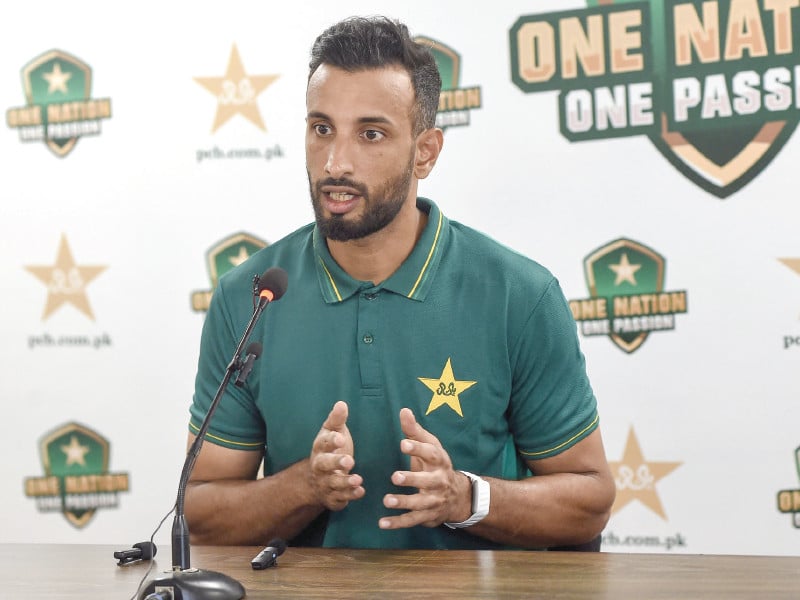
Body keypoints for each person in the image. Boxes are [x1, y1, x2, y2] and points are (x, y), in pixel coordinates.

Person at [184, 15, 615, 550]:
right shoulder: (250, 297)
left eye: (371, 134)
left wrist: (465, 497)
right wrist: (304, 486)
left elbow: (589, 499)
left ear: (426, 152)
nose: (335, 162)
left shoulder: (518, 296)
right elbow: (200, 511)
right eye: (322, 129)